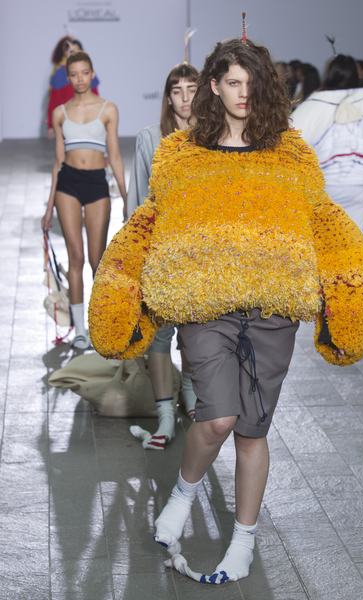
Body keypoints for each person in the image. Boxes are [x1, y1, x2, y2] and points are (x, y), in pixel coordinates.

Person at [89, 39, 363, 583]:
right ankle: (184, 492)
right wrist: (121, 292)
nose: (244, 93)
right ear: (215, 87)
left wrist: (348, 298)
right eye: (234, 82)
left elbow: (321, 218)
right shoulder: (180, 153)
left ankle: (243, 539)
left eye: (252, 83)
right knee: (217, 417)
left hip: (274, 310)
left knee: (251, 431)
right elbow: (152, 220)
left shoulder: (290, 151)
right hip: (205, 304)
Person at [127, 63, 199, 450]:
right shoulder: (150, 138)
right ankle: (165, 416)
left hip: (200, 253)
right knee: (159, 334)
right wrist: (134, 255)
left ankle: (191, 398)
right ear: (168, 97)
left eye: (192, 89)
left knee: (195, 332)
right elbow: (138, 200)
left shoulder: (213, 137)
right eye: (177, 90)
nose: (185, 98)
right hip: (160, 251)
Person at [42, 51, 127, 349]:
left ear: (92, 74)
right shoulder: (60, 113)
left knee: (97, 259)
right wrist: (49, 207)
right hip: (68, 183)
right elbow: (57, 162)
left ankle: (100, 325)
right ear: (68, 77)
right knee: (75, 257)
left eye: (84, 73)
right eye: (74, 74)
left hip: (96, 183)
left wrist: (127, 196)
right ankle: (80, 331)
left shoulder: (108, 109)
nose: (79, 79)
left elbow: (115, 156)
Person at [291, 54, 363, 232]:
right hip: (361, 184)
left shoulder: (316, 102)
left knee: (324, 239)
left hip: (324, 184)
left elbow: (288, 141)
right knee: (356, 242)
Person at [47, 37, 100, 137]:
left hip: (88, 123)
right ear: (65, 53)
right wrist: (51, 125)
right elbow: (53, 102)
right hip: (65, 124)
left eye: (77, 51)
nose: (74, 54)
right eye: (71, 51)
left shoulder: (89, 73)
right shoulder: (59, 74)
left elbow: (96, 98)